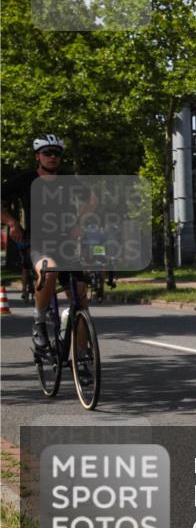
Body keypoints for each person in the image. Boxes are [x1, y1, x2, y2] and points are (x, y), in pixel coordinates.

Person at [1, 135, 95, 380]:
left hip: (66, 244)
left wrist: (79, 224)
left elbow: (92, 200)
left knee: (81, 298)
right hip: (38, 242)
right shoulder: (26, 180)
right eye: (47, 152)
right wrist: (11, 222)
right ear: (38, 156)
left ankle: (83, 358)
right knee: (49, 270)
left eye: (56, 153)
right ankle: (39, 323)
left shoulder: (67, 181)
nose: (52, 156)